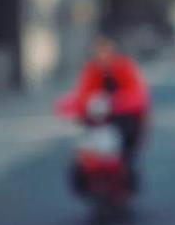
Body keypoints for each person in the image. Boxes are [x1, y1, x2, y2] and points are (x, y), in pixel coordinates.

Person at [56, 36, 150, 170]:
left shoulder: (124, 67)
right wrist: (88, 104)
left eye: (106, 52)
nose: (103, 57)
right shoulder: (92, 70)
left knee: (128, 137)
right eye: (100, 52)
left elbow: (137, 95)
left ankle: (125, 163)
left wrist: (115, 102)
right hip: (97, 117)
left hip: (123, 116)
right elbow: (82, 93)